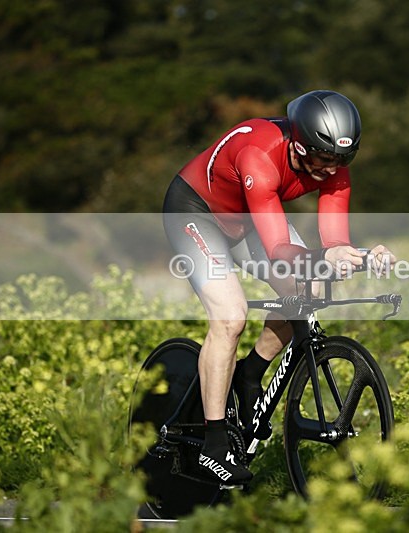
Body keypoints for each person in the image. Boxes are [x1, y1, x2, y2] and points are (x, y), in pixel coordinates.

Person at [162, 90, 395, 485]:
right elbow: (279, 250)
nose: (331, 168)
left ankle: (250, 373)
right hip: (196, 213)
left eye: (342, 158)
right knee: (231, 317)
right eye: (323, 158)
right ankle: (213, 446)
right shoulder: (260, 156)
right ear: (300, 144)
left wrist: (359, 253)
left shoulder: (333, 165)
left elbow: (333, 241)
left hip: (248, 217)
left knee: (312, 289)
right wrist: (324, 258)